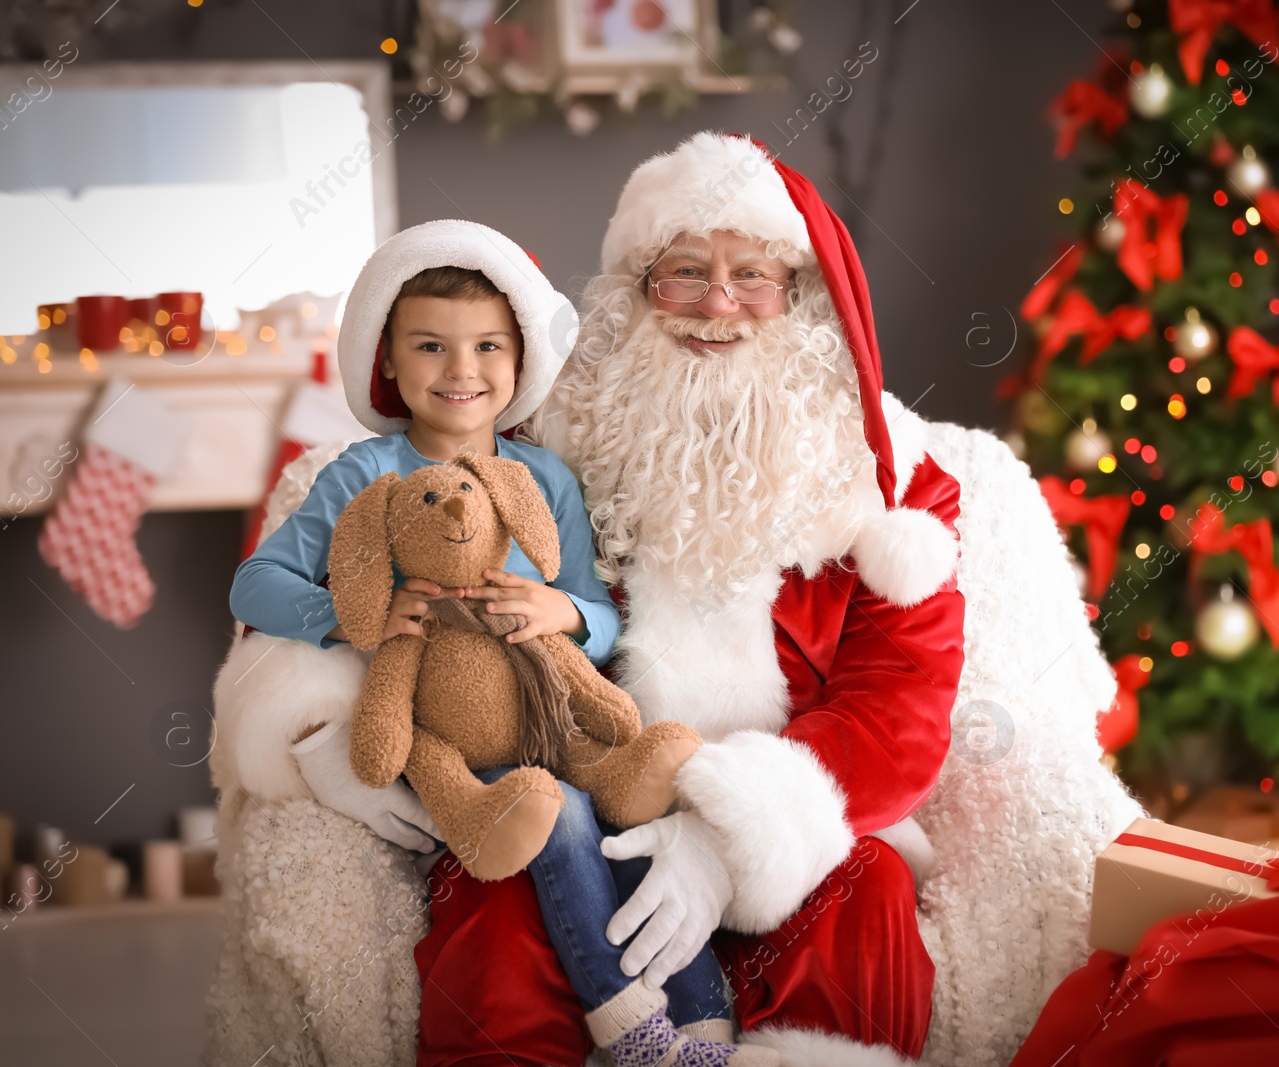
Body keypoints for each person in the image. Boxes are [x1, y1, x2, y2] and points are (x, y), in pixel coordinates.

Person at [410, 133, 969, 1065]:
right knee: (493, 887)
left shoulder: (894, 488)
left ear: (801, 297)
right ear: (638, 289)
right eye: (684, 273)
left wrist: (722, 842)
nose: (718, 305)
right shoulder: (555, 449)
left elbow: (899, 713)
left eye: (753, 274)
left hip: (791, 816)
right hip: (593, 792)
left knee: (866, 889)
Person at [230, 219, 773, 1066]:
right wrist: (353, 617)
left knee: (630, 808)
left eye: (487, 346)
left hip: (553, 716)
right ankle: (628, 1024)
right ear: (390, 362)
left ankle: (703, 1020)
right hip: (453, 730)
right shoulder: (362, 476)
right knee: (563, 820)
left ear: (518, 363)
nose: (461, 370)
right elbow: (253, 587)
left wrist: (564, 614)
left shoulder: (544, 479)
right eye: (430, 347)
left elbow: (603, 616)